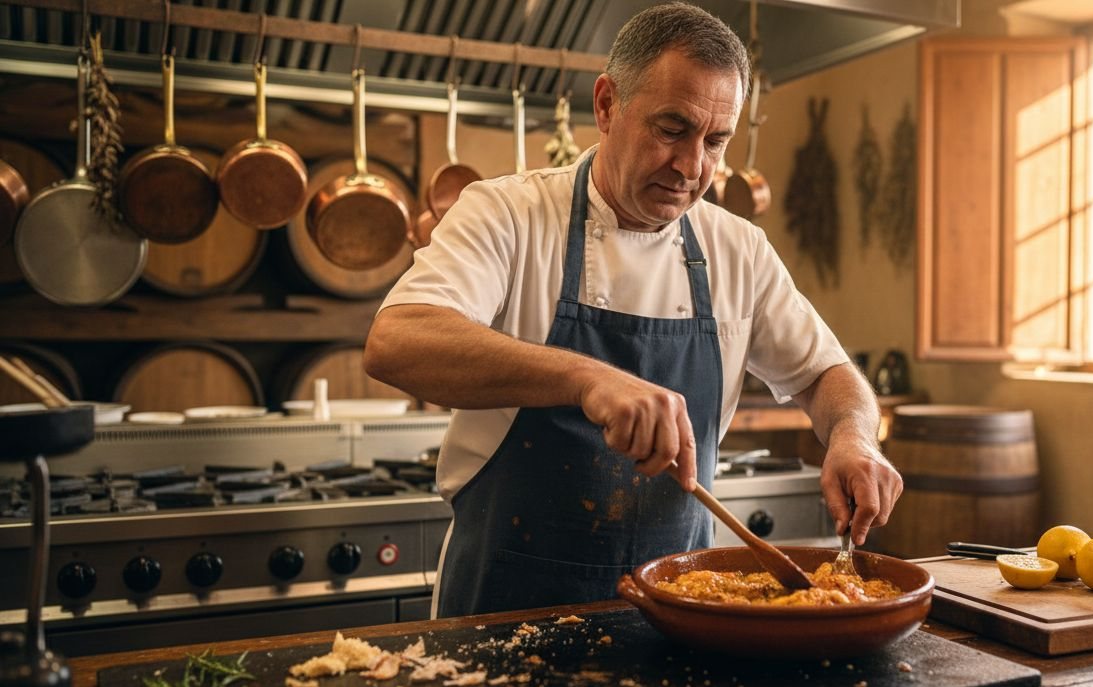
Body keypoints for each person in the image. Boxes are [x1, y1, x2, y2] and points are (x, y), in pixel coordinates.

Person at [364, 2, 901, 619]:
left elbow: (825, 374)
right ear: (607, 105)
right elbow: (396, 340)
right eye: (672, 129)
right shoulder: (505, 214)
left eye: (715, 141)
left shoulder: (738, 249)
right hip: (505, 612)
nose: (692, 167)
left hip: (683, 618)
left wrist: (856, 437)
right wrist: (587, 378)